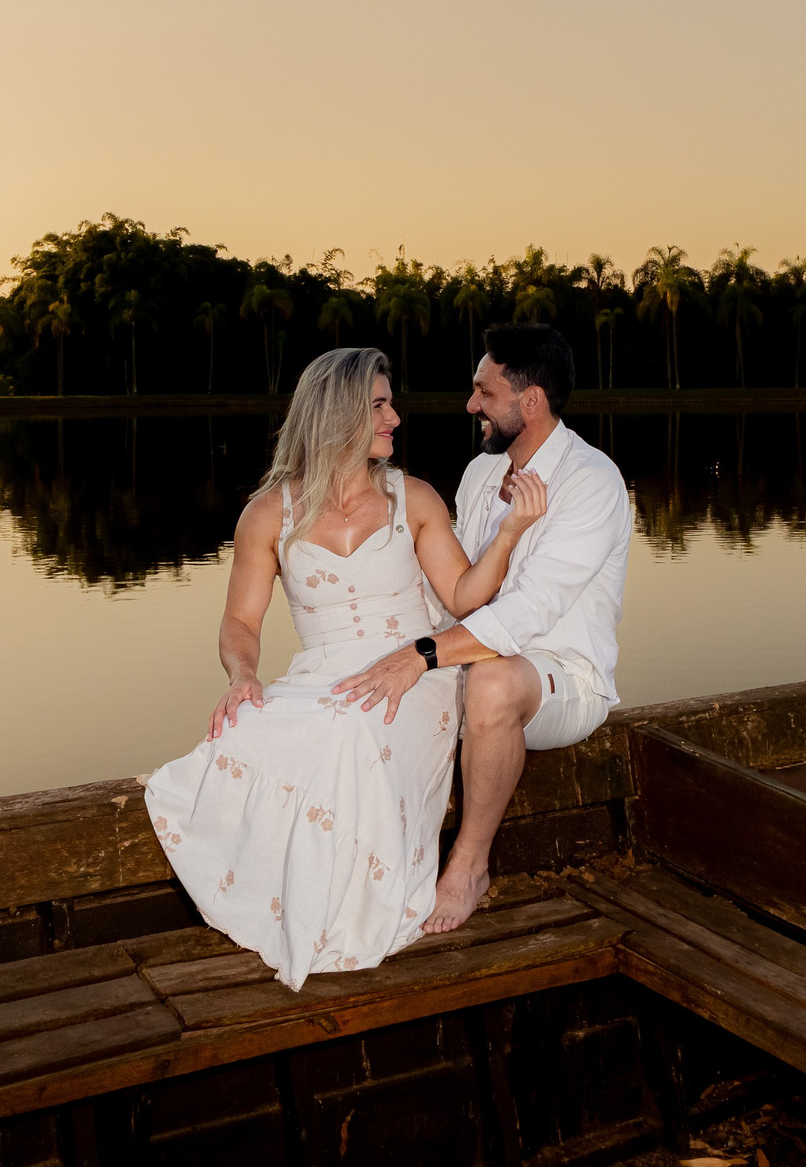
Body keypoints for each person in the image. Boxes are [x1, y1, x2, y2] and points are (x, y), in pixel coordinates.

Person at [142, 347, 547, 990]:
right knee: (245, 730)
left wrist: (508, 533)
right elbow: (241, 623)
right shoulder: (267, 514)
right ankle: (298, 906)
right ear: (337, 415)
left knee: (351, 729)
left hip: (413, 673)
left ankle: (351, 913)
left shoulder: (413, 498)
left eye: (391, 404)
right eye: (380, 406)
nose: (395, 418)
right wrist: (243, 675)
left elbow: (465, 598)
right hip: (319, 673)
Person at [332, 323, 631, 934]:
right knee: (359, 694)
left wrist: (421, 655)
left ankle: (468, 867)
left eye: (484, 393)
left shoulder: (590, 481)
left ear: (532, 401)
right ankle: (356, 872)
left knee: (492, 683)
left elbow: (530, 612)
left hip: (563, 678)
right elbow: (456, 597)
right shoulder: (478, 475)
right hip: (469, 662)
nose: (471, 405)